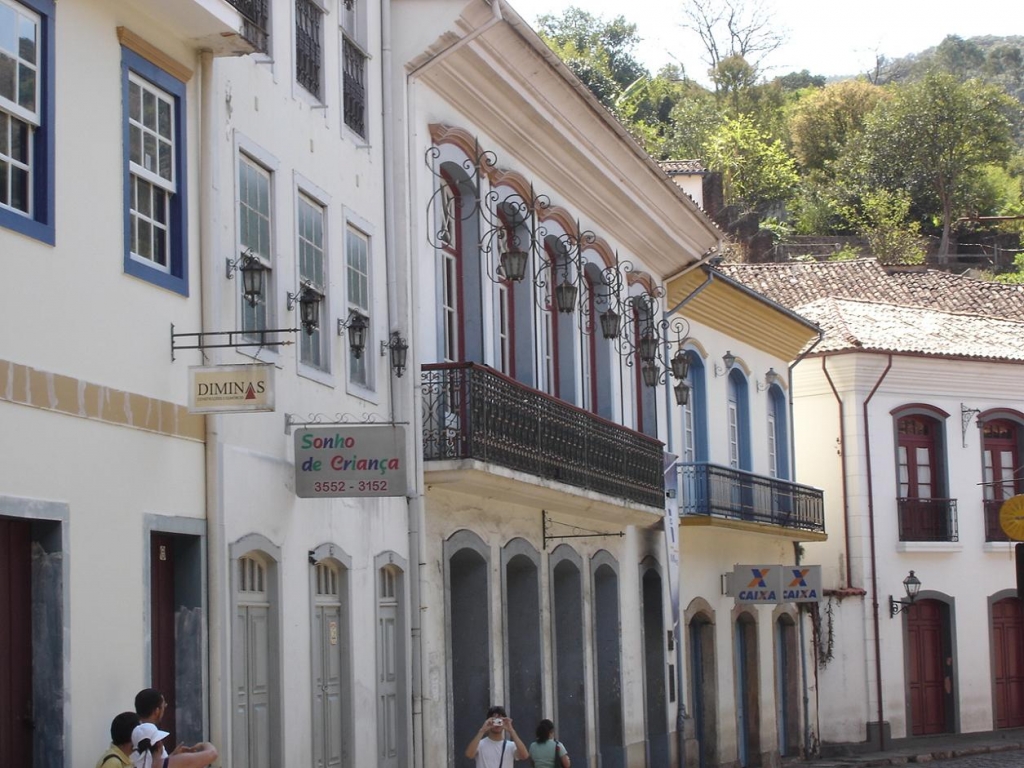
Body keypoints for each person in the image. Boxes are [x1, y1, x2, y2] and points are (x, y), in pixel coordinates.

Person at [464, 705, 529, 768]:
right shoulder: (480, 744)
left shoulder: (511, 746)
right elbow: (469, 755)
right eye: (494, 720)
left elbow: (524, 756)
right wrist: (482, 730)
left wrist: (511, 731)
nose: (497, 724)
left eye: (500, 721)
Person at [130, 723, 218, 768]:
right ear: (159, 744)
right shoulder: (170, 763)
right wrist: (203, 745)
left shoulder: (133, 764)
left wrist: (173, 755)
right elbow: (212, 754)